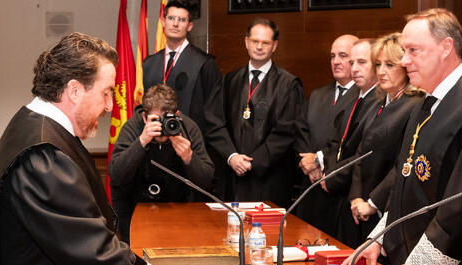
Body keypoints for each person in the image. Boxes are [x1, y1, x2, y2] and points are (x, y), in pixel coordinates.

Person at [0, 32, 185, 265]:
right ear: (75, 90)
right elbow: (95, 253)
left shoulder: (35, 126)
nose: (111, 106)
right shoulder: (42, 154)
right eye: (106, 92)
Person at [340, 8, 462, 265]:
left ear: (445, 48)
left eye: (413, 51)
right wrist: (378, 237)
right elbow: (404, 182)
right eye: (404, 51)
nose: (404, 61)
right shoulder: (424, 102)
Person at [205, 18, 305, 207]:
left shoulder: (288, 84)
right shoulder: (230, 80)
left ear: (274, 46)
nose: (259, 47)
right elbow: (214, 123)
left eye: (265, 42)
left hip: (269, 179)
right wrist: (232, 157)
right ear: (246, 42)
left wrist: (253, 162)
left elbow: (286, 132)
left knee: (266, 234)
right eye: (255, 41)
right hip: (231, 176)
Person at [343, 33, 424, 248]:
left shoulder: (415, 105)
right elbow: (361, 153)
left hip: (387, 208)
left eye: (389, 64)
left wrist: (372, 202)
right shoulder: (377, 102)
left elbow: (403, 162)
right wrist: (356, 197)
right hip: (361, 208)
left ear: (405, 66)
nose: (381, 71)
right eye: (377, 64)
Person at [108, 84, 214, 244]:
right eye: (155, 120)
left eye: (167, 119)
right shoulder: (132, 127)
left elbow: (207, 180)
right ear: (144, 117)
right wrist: (142, 141)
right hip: (135, 206)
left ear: (177, 115)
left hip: (178, 208)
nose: (162, 127)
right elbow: (116, 175)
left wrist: (189, 157)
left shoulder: (188, 128)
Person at [316, 38, 381, 248]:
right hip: (340, 195)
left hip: (358, 196)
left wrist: (334, 177)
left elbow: (366, 152)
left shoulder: (379, 102)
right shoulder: (355, 98)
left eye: (362, 62)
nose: (354, 68)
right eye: (352, 62)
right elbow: (338, 143)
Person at [294, 34, 360, 237]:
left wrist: (319, 162)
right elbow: (300, 130)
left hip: (337, 186)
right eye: (332, 56)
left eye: (343, 55)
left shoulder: (363, 97)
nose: (336, 61)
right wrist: (309, 163)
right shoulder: (318, 94)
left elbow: (349, 142)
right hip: (310, 185)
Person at [142, 0, 221, 133]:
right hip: (155, 142)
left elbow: (214, 114)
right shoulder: (149, 64)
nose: (175, 24)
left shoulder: (205, 63)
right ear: (163, 21)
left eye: (182, 20)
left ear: (189, 26)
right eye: (171, 18)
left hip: (190, 143)